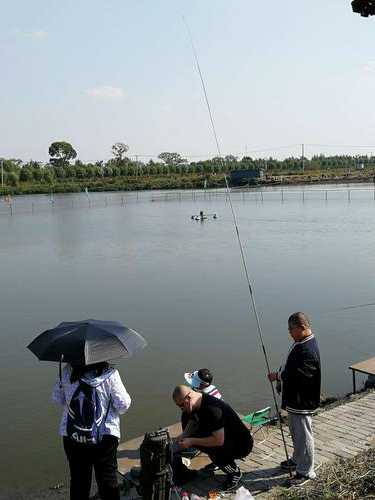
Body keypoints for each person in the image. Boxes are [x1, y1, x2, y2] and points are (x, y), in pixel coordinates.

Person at [52, 362, 131, 500]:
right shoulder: (110, 373)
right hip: (105, 436)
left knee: (78, 481)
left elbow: (57, 399)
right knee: (107, 480)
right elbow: (123, 405)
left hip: (73, 436)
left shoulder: (67, 372)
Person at [268, 312, 321, 483]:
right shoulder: (300, 343)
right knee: (296, 433)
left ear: (303, 328)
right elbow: (290, 365)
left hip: (302, 400)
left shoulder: (308, 349)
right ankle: (297, 460)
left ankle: (306, 471)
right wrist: (280, 374)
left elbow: (301, 375)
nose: (289, 332)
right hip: (294, 400)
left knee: (304, 435)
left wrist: (279, 376)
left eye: (292, 329)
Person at [172, 385, 253, 490]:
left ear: (189, 396)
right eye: (179, 406)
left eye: (182, 405)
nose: (182, 408)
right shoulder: (197, 401)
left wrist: (191, 441)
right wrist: (183, 435)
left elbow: (218, 441)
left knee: (214, 451)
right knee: (188, 426)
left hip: (241, 444)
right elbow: (193, 419)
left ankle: (234, 472)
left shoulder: (212, 409)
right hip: (226, 436)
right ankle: (221, 461)